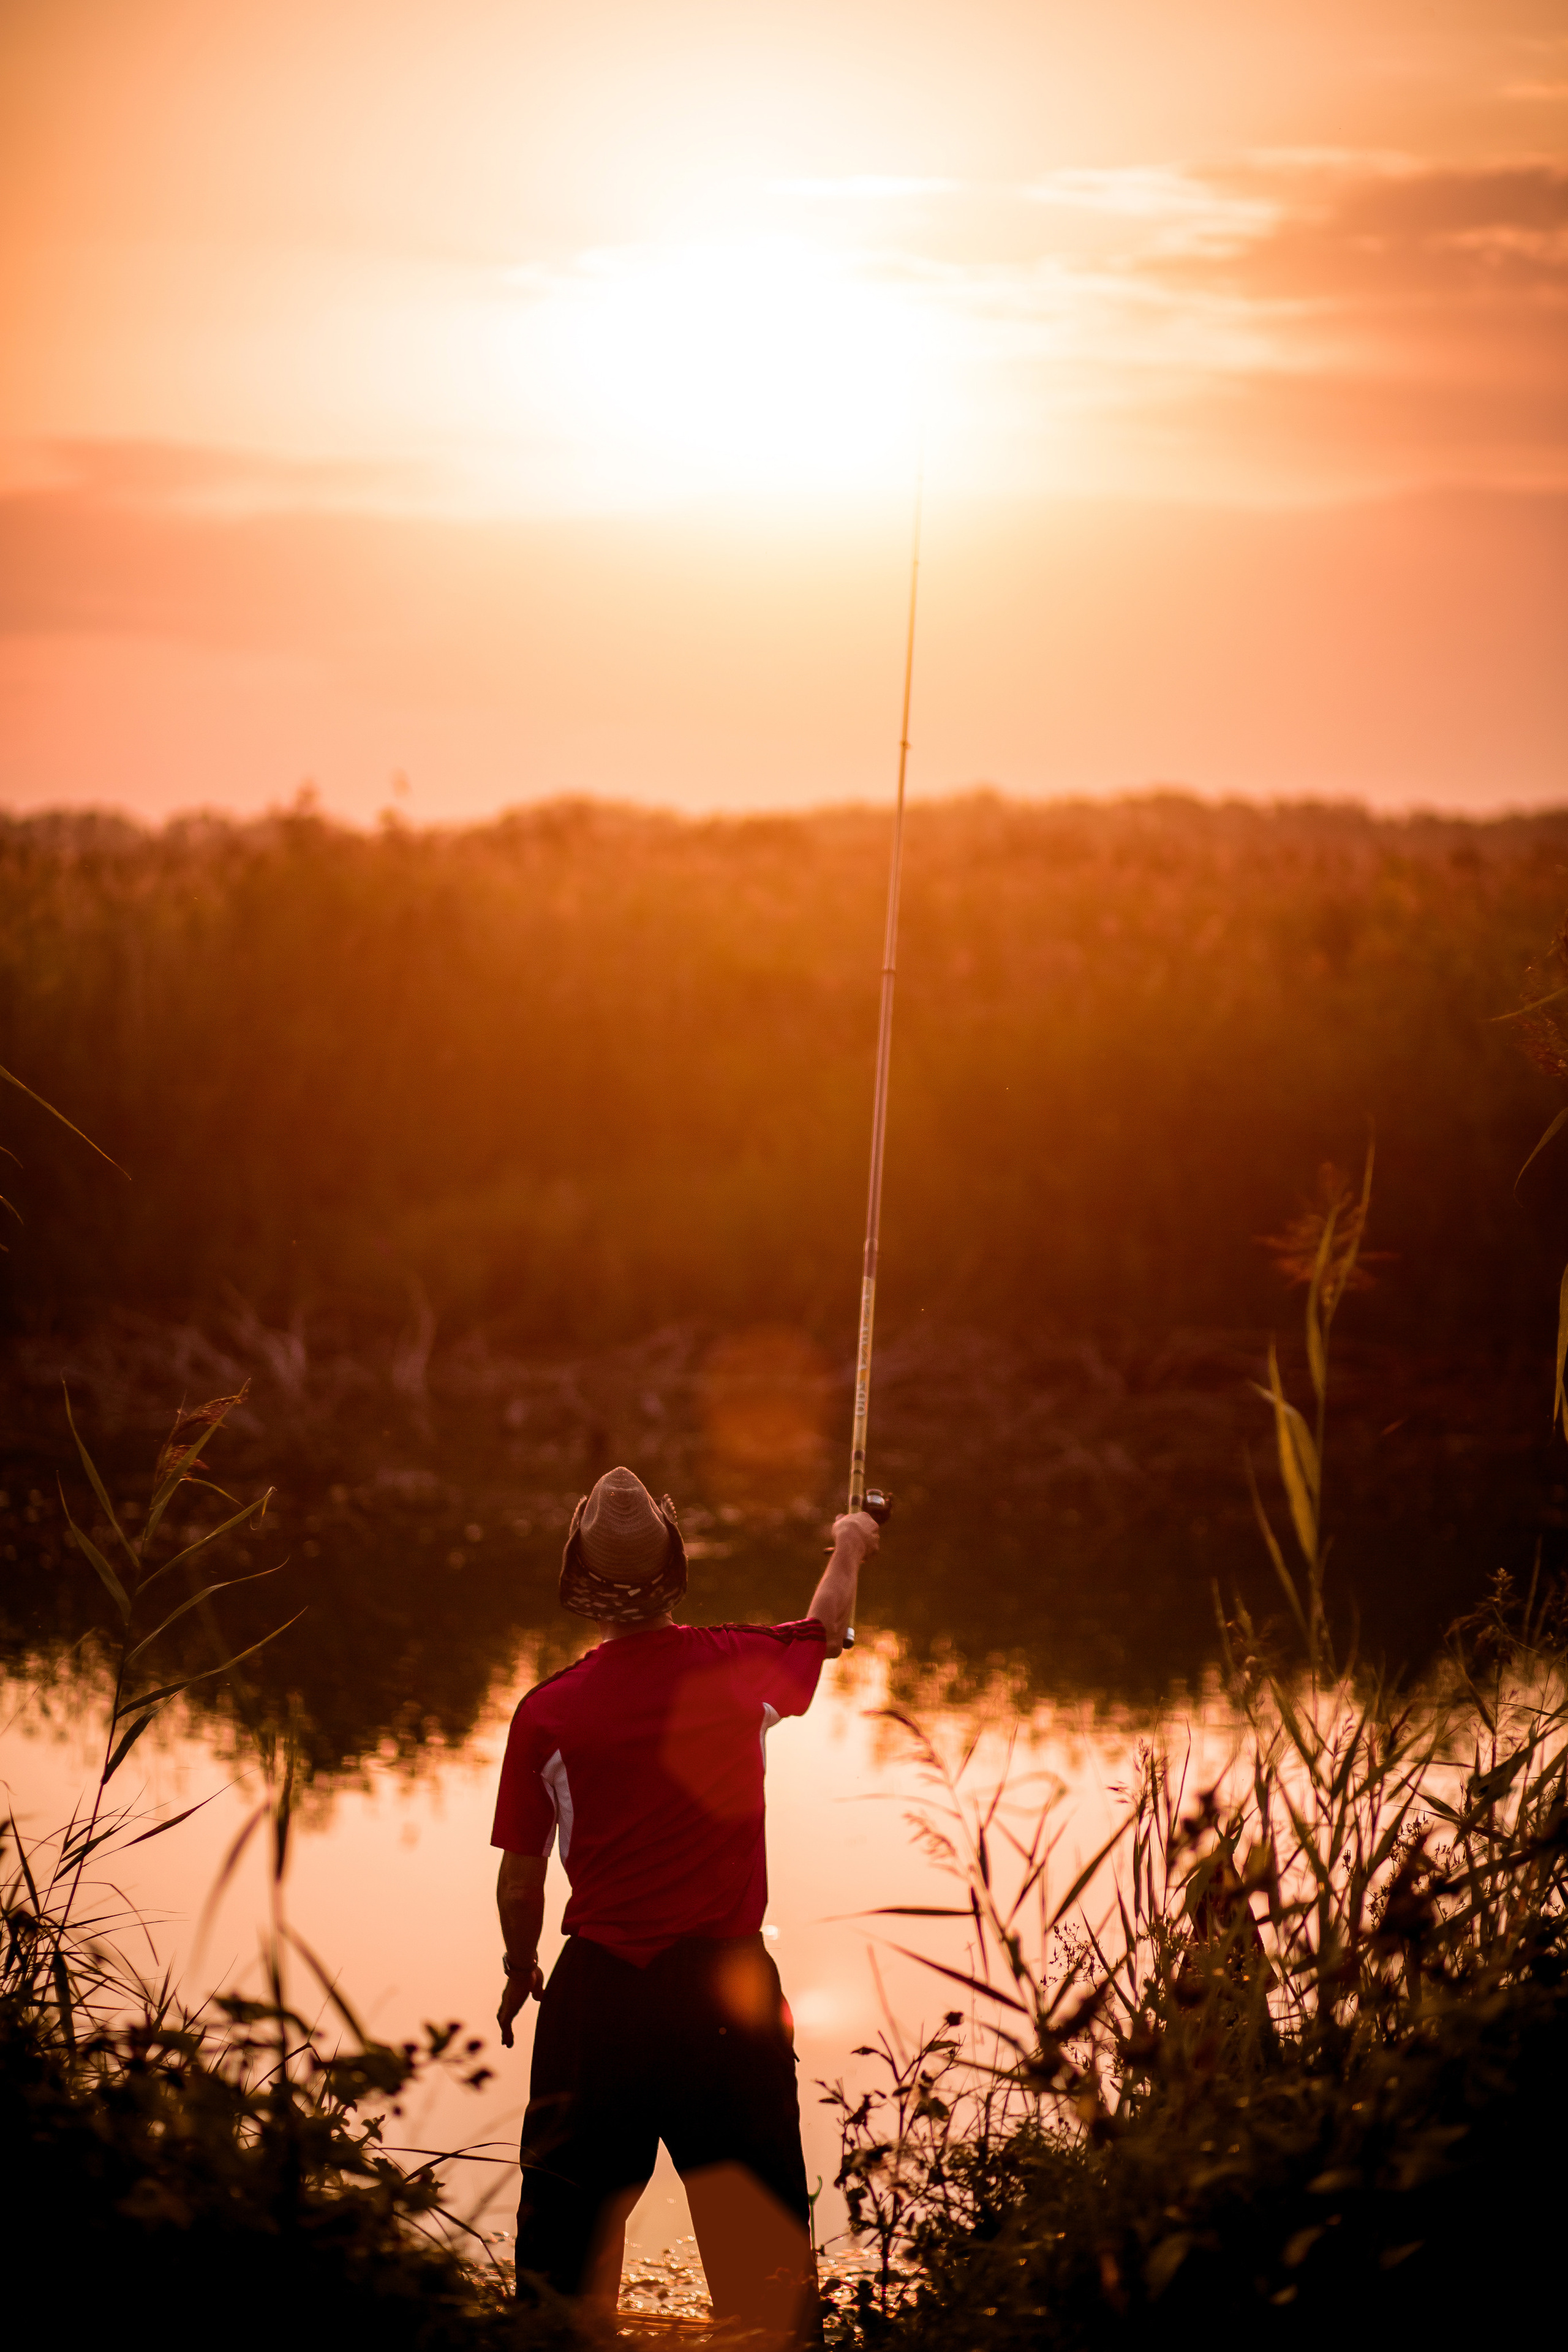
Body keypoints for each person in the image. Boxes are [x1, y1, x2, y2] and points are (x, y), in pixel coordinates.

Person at [491, 1465, 880, 2340]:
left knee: (561, 2267)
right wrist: (848, 1546)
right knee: (764, 2272)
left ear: (579, 1579)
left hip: (598, 2004)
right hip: (726, 1997)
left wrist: (522, 1969)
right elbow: (826, 1626)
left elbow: (522, 1879)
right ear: (675, 1568)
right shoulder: (743, 1668)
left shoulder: (546, 1713)